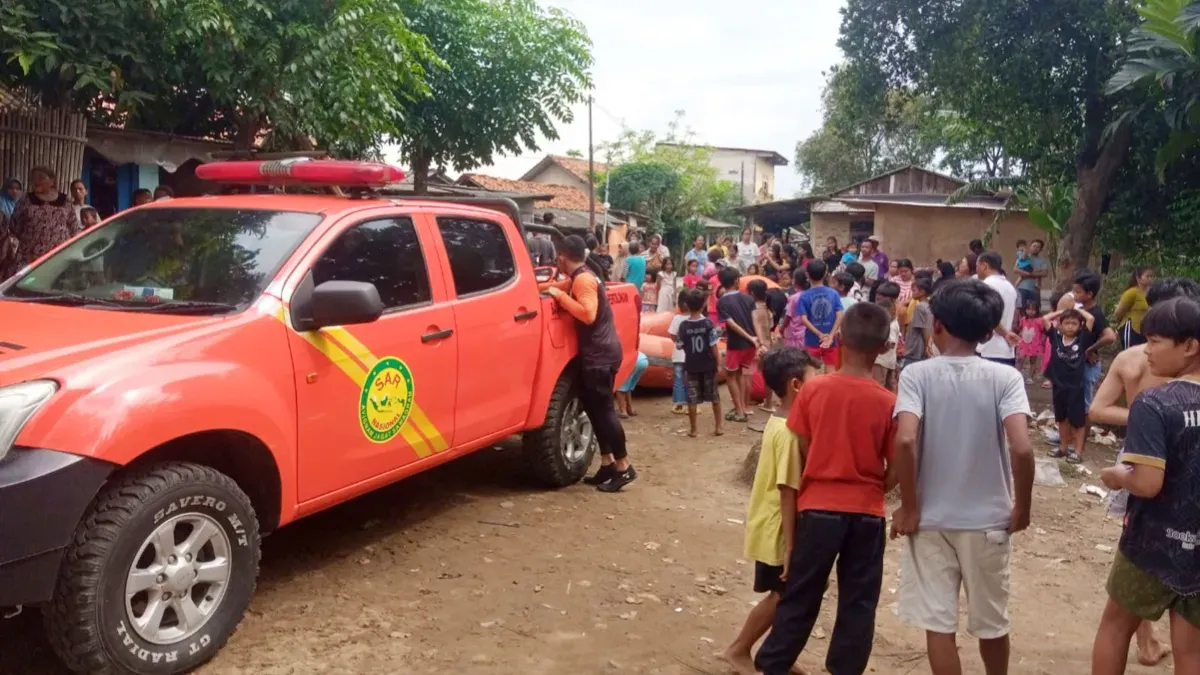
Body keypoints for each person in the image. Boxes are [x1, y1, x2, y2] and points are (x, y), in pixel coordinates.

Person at [891, 278, 1035, 675]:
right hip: (988, 521)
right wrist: (1022, 507)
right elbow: (1022, 449)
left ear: (936, 324)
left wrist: (909, 508)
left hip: (931, 519)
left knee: (939, 626)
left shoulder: (916, 375)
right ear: (988, 334)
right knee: (992, 623)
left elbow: (906, 440)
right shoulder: (1005, 378)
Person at [754, 302, 897, 675]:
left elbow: (803, 444)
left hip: (817, 508)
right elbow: (897, 460)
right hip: (867, 512)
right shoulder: (889, 403)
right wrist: (880, 486)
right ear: (885, 347)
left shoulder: (814, 390)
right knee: (859, 601)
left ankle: (773, 664)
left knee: (801, 593)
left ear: (840, 340)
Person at [1088, 277, 1200, 668]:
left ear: (1189, 346)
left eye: (1154, 341)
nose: (1146, 348)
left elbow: (1148, 483)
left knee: (1116, 626)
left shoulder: (1154, 403)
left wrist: (1116, 476)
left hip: (1152, 539)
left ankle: (1146, 643)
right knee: (1192, 648)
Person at [724, 347, 819, 675]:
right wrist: (791, 547)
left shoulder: (780, 421)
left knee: (790, 594)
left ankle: (780, 653)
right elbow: (787, 490)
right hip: (780, 528)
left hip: (774, 522)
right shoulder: (789, 432)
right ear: (796, 385)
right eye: (815, 379)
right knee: (783, 595)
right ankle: (739, 649)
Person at [541, 235, 635, 492]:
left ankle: (624, 467)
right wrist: (540, 289)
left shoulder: (583, 280)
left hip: (600, 356)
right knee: (593, 410)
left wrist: (560, 297)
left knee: (604, 412)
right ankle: (607, 463)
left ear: (562, 257)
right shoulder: (581, 276)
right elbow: (555, 286)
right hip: (598, 355)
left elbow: (588, 314)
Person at [2, 166, 80, 279]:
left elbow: (74, 228)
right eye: (33, 178)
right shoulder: (26, 200)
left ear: (52, 181)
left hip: (59, 259)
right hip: (30, 258)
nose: (36, 181)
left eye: (41, 177)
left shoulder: (65, 201)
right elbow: (14, 227)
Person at [1044, 307, 1096, 464]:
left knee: (1078, 421)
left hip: (1076, 387)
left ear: (1080, 326)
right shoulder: (1055, 337)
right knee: (1061, 418)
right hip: (1059, 386)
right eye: (1067, 323)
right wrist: (1062, 311)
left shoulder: (1082, 339)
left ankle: (1078, 452)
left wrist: (1075, 309)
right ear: (1060, 325)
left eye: (1074, 323)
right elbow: (1045, 319)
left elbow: (1090, 319)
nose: (1070, 326)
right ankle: (1063, 448)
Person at [678, 288, 724, 437]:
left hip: (691, 366)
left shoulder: (683, 326)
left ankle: (694, 430)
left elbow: (679, 345)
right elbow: (714, 345)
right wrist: (719, 363)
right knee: (715, 397)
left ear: (686, 305)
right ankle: (718, 427)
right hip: (708, 365)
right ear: (704, 304)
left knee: (692, 399)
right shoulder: (708, 323)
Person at [1070, 269, 1118, 413]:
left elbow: (1110, 336)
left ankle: (1085, 427)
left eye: (1078, 292)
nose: (1074, 294)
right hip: (1078, 362)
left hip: (1088, 365)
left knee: (1085, 403)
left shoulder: (1095, 313)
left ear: (1089, 294)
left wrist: (1090, 349)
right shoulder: (1081, 311)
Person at [718, 267, 759, 423]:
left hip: (736, 344)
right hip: (751, 344)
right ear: (737, 281)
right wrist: (756, 338)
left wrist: (749, 337)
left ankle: (739, 411)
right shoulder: (748, 298)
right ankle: (742, 407)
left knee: (730, 376)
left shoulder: (722, 301)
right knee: (741, 373)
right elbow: (755, 320)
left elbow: (731, 324)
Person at [796, 260, 844, 370]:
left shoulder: (804, 296)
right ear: (826, 274)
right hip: (831, 340)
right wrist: (831, 336)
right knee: (830, 369)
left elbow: (804, 319)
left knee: (811, 369)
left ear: (807, 275)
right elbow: (840, 315)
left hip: (812, 339)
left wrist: (820, 335)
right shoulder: (833, 293)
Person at [975, 252, 1020, 366]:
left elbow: (988, 314)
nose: (976, 270)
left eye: (977, 266)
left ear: (984, 265)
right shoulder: (1010, 287)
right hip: (1006, 350)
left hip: (988, 349)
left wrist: (1005, 333)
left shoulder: (986, 286)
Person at [749, 279, 779, 413]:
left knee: (751, 373)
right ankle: (768, 402)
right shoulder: (768, 309)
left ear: (752, 293)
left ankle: (749, 398)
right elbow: (771, 326)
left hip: (758, 345)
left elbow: (753, 327)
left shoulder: (752, 309)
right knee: (767, 374)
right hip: (769, 344)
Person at [900, 277, 934, 370]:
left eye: (914, 290)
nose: (912, 293)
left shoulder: (920, 307)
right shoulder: (928, 306)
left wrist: (927, 347)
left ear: (922, 292)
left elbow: (925, 329)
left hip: (915, 350)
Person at [1115, 266, 1154, 348]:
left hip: (1144, 331)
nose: (1150, 279)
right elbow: (1119, 312)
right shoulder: (1132, 292)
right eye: (1147, 276)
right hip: (1131, 328)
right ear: (1138, 278)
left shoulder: (1151, 293)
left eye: (1151, 276)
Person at [668, 291, 692, 415]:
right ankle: (692, 404)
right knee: (691, 379)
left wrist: (678, 343)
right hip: (693, 356)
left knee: (679, 379)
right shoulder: (698, 317)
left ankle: (679, 404)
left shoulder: (677, 319)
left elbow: (672, 334)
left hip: (678, 354)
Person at [1017, 298, 1048, 385]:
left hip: (1035, 344)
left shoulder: (1039, 320)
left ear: (1037, 310)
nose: (1031, 311)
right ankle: (1018, 374)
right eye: (1029, 309)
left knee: (1033, 361)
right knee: (1021, 358)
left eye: (1033, 309)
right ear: (1025, 310)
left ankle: (1030, 377)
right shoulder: (1023, 319)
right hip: (1024, 344)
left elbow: (1043, 330)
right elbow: (1020, 329)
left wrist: (1042, 341)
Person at [1014, 238, 1050, 310]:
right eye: (1034, 246)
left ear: (1041, 249)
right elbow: (1015, 269)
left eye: (1038, 247)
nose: (1035, 248)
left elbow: (1045, 273)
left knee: (1035, 310)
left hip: (1035, 289)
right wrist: (1033, 274)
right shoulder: (1023, 256)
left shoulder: (1042, 260)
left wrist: (1028, 274)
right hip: (1021, 288)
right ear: (1030, 246)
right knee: (1021, 309)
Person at [874, 298, 900, 391]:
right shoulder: (895, 323)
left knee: (879, 385)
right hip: (889, 361)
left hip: (881, 361)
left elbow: (891, 343)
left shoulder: (890, 326)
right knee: (889, 385)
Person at [780, 269, 809, 350]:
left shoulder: (794, 298)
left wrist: (781, 328)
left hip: (794, 334)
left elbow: (788, 316)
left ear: (794, 281)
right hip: (807, 332)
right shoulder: (810, 295)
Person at [615, 351, 649, 418]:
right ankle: (630, 409)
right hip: (643, 360)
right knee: (627, 387)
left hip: (632, 362)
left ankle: (623, 411)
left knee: (619, 387)